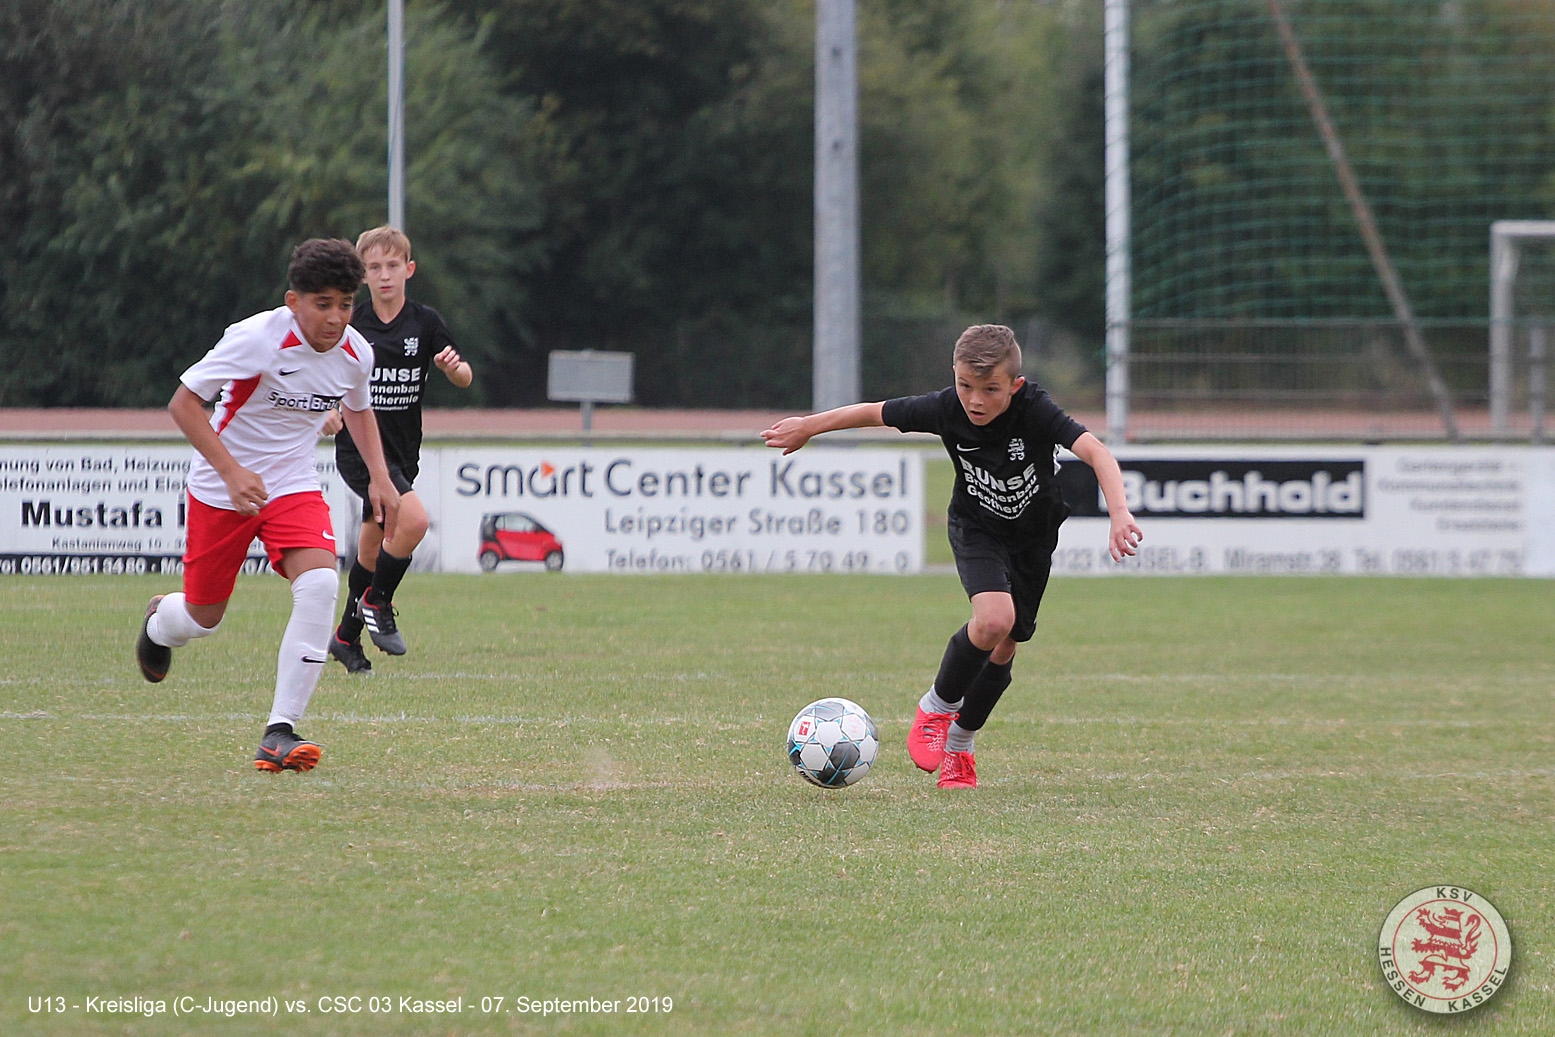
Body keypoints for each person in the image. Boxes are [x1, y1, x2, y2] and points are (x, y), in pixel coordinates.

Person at [761, 324, 1142, 789]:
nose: (975, 400)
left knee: (1006, 644)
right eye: (965, 385)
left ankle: (960, 745)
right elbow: (874, 412)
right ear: (954, 376)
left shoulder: (1035, 408)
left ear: (1015, 385)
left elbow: (1096, 452)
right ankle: (936, 708)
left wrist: (1119, 513)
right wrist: (809, 426)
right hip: (976, 527)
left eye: (990, 389)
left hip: (1033, 539)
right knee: (994, 620)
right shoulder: (946, 408)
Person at [134, 238, 401, 773]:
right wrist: (231, 472)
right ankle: (160, 622)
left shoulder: (356, 353)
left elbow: (358, 409)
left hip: (292, 485)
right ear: (293, 301)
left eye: (346, 304)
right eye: (322, 304)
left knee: (320, 584)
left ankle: (279, 731)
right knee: (202, 618)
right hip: (222, 487)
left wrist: (381, 478)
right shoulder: (257, 339)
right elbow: (184, 404)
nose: (335, 317)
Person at [326, 226, 471, 673]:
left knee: (373, 550)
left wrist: (452, 369)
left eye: (392, 265)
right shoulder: (352, 324)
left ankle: (345, 638)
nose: (384, 275)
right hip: (360, 452)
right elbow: (323, 374)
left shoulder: (424, 322)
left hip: (403, 453)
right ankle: (378, 601)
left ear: (409, 269)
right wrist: (327, 410)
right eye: (374, 267)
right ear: (362, 275)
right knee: (415, 521)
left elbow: (465, 376)